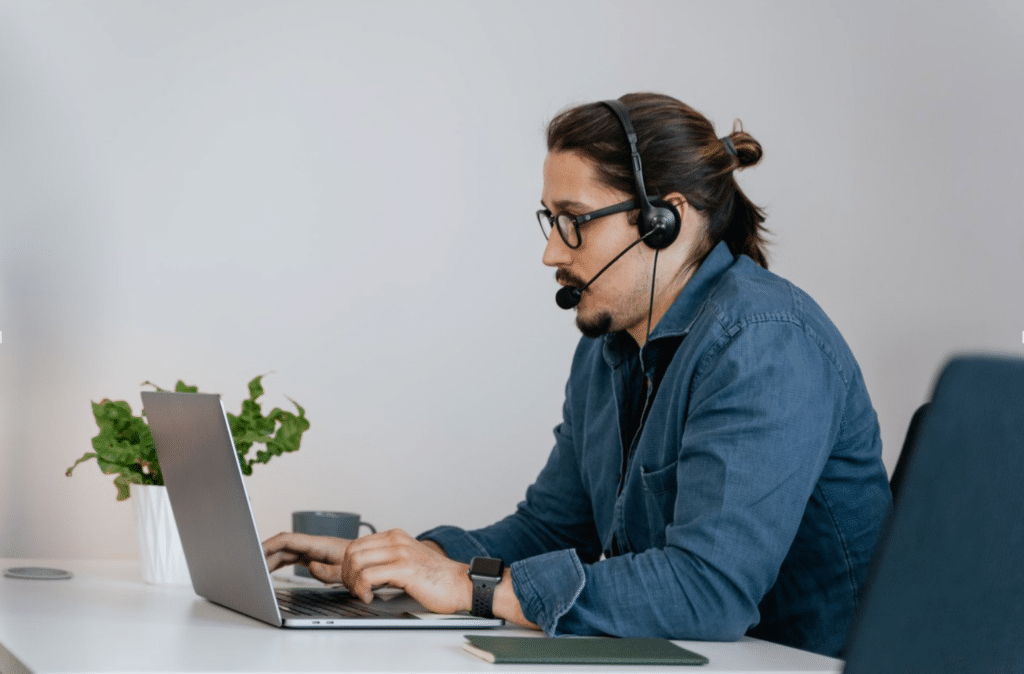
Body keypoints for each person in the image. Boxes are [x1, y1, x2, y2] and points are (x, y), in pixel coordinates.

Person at [263, 92, 892, 657]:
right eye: (549, 219)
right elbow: (552, 528)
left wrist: (469, 589)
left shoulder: (764, 345)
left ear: (663, 221)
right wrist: (410, 559)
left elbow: (708, 591)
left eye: (574, 220)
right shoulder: (610, 343)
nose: (551, 251)